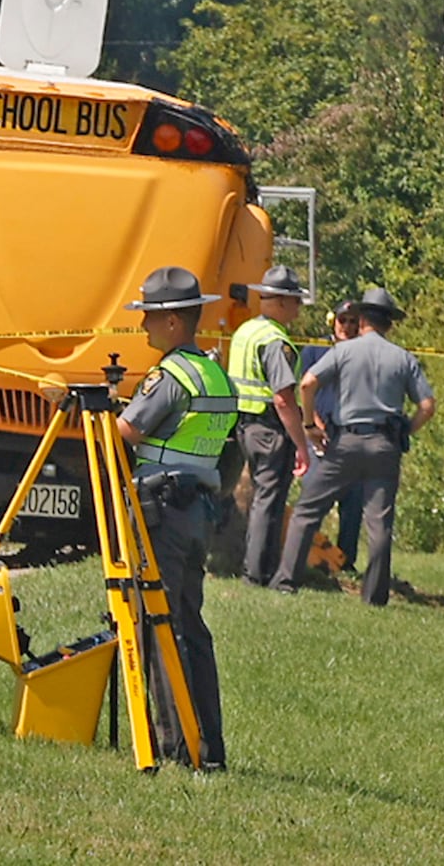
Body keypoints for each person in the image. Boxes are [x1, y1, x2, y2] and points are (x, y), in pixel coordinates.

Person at [117, 266, 238, 770]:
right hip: (198, 511)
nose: (143, 326)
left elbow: (125, 432)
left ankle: (176, 746)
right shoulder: (215, 373)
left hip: (162, 512)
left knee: (158, 623)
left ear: (171, 322)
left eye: (148, 317)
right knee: (190, 624)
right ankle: (207, 744)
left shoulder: (169, 376)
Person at [272, 287, 436, 605]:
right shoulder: (403, 358)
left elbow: (307, 383)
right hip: (385, 446)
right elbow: (427, 405)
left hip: (345, 442)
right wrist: (406, 432)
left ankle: (286, 580)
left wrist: (309, 426)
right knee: (379, 521)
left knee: (307, 510)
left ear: (361, 321)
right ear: (390, 324)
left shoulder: (344, 351)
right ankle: (374, 597)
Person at [228, 265, 310, 589]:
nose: (299, 307)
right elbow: (282, 398)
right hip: (269, 429)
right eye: (295, 300)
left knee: (259, 498)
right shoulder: (276, 341)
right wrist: (301, 443)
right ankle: (258, 574)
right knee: (268, 501)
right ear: (280, 301)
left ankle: (254, 567)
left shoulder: (245, 332)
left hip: (245, 427)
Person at [298, 300, 364, 571]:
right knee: (313, 497)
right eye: (342, 320)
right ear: (332, 321)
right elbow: (302, 390)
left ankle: (344, 562)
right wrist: (313, 426)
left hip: (352, 436)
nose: (346, 327)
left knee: (353, 500)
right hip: (320, 437)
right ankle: (303, 555)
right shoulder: (315, 349)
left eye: (352, 321)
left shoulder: (364, 353)